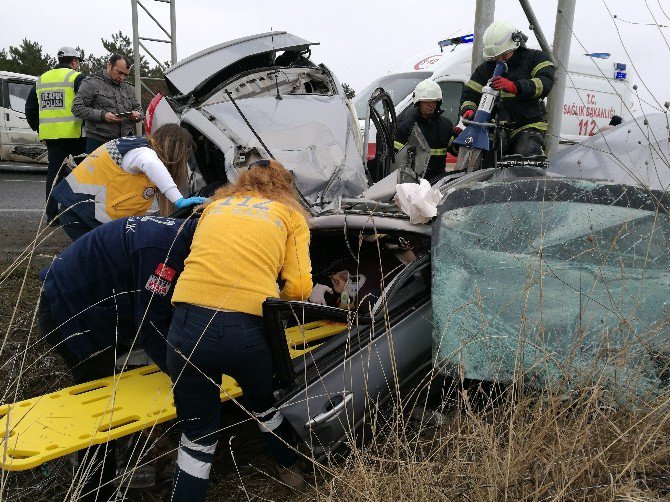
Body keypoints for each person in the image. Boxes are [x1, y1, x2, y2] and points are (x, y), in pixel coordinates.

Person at [167, 159, 313, 498]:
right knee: (264, 404)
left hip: (186, 327)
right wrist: (271, 294)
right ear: (285, 187)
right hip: (244, 330)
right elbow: (302, 288)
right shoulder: (290, 216)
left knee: (197, 435)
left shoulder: (215, 206)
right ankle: (292, 473)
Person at [38, 215, 197, 502]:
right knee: (100, 406)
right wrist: (186, 376)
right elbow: (150, 326)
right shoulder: (164, 253)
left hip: (102, 303)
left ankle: (129, 453)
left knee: (124, 391)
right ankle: (96, 488)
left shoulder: (184, 234)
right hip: (72, 313)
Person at [51, 123, 206, 241]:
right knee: (97, 262)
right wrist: (178, 199)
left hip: (82, 213)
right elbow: (150, 163)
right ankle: (54, 279)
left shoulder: (136, 146)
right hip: (81, 214)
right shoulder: (142, 152)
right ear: (173, 148)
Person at [460, 20, 555, 158]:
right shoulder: (485, 69)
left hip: (527, 126)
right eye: (495, 57)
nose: (499, 59)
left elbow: (544, 83)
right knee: (484, 166)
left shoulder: (536, 59)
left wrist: (514, 86)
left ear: (514, 44)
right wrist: (469, 109)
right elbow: (470, 93)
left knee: (524, 161)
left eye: (503, 54)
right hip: (494, 130)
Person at [25, 47, 86, 225]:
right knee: (85, 174)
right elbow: (87, 103)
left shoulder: (42, 79)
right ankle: (83, 212)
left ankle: (52, 216)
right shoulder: (76, 77)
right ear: (74, 62)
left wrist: (39, 129)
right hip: (76, 135)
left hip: (52, 137)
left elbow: (30, 109)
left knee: (54, 175)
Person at [72, 54, 143, 153]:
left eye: (125, 75)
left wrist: (137, 115)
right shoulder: (91, 83)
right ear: (109, 65)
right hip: (99, 142)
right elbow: (77, 108)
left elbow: (138, 109)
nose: (122, 78)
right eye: (119, 72)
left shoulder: (128, 88)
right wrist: (103, 116)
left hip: (125, 142)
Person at [394, 79, 454, 181]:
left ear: (438, 102)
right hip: (414, 184)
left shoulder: (446, 125)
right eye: (426, 101)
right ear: (418, 103)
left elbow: (455, 151)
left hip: (438, 182)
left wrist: (459, 138)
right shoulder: (407, 126)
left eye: (433, 101)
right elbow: (397, 158)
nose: (431, 105)